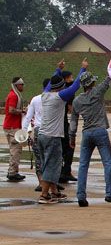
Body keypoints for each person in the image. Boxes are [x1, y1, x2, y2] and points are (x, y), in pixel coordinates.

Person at [69, 71, 111, 208]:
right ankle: (110, 193)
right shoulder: (97, 92)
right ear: (92, 83)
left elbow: (73, 120)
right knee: (108, 163)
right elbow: (108, 81)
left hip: (86, 132)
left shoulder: (77, 101)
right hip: (100, 131)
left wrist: (72, 136)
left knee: (83, 165)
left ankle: (81, 195)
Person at [38, 60, 87, 204]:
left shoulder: (45, 95)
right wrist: (82, 69)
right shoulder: (59, 97)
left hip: (41, 135)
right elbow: (76, 85)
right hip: (53, 136)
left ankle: (54, 191)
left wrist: (58, 69)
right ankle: (44, 195)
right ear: (60, 88)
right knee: (52, 165)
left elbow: (50, 84)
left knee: (49, 164)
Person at [22, 78, 49, 189]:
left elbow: (28, 117)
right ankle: (51, 183)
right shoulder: (57, 98)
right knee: (51, 157)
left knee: (38, 157)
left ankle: (41, 182)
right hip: (50, 131)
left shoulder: (35, 99)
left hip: (37, 130)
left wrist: (24, 132)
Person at [3, 77, 26, 182]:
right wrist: (22, 111)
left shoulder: (13, 94)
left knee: (15, 150)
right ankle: (12, 173)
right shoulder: (13, 96)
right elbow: (11, 110)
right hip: (12, 127)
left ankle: (12, 171)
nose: (23, 86)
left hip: (11, 126)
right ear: (17, 85)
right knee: (15, 150)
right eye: (21, 84)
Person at [59, 70, 78, 184]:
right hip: (64, 123)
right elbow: (71, 108)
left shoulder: (58, 89)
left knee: (60, 148)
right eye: (71, 77)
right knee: (70, 146)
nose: (72, 79)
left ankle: (60, 171)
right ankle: (66, 171)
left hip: (56, 122)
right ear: (66, 78)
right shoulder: (69, 91)